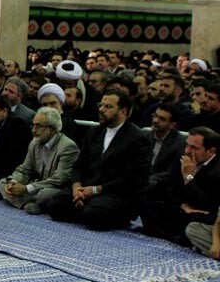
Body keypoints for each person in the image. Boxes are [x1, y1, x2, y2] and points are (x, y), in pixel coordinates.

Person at [45, 90, 152, 230]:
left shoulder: (137, 139)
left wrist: (95, 190)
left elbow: (131, 179)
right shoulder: (94, 132)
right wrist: (76, 187)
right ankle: (84, 208)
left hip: (115, 193)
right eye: (101, 105)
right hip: (87, 189)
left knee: (93, 216)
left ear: (123, 111)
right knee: (55, 206)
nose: (101, 110)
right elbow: (79, 165)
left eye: (108, 106)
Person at [0, 107, 80, 214]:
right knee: (3, 183)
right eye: (33, 125)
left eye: (38, 126)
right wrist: (14, 182)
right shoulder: (34, 142)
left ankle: (24, 201)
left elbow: (59, 180)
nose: (33, 130)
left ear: (52, 129)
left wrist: (26, 189)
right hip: (35, 185)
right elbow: (24, 169)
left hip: (53, 188)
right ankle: (28, 204)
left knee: (44, 195)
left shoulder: (67, 147)